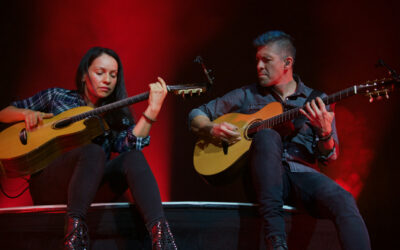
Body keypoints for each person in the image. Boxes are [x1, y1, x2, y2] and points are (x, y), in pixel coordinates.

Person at [189, 31, 370, 250]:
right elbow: (196, 114)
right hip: (262, 177)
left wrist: (324, 133)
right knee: (266, 135)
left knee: (345, 201)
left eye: (266, 60)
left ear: (287, 63)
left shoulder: (317, 100)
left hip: (303, 175)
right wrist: (211, 128)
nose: (259, 67)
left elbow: (329, 156)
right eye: (257, 61)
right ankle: (276, 242)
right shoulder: (247, 95)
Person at [0, 47, 177, 250]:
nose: (107, 80)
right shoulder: (57, 97)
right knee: (93, 151)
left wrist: (152, 110)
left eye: (113, 75)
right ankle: (75, 237)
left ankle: (162, 237)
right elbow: (4, 113)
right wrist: (25, 114)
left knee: (133, 157)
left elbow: (131, 144)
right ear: (84, 76)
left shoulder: (115, 115)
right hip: (50, 184)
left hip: (89, 189)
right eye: (100, 72)